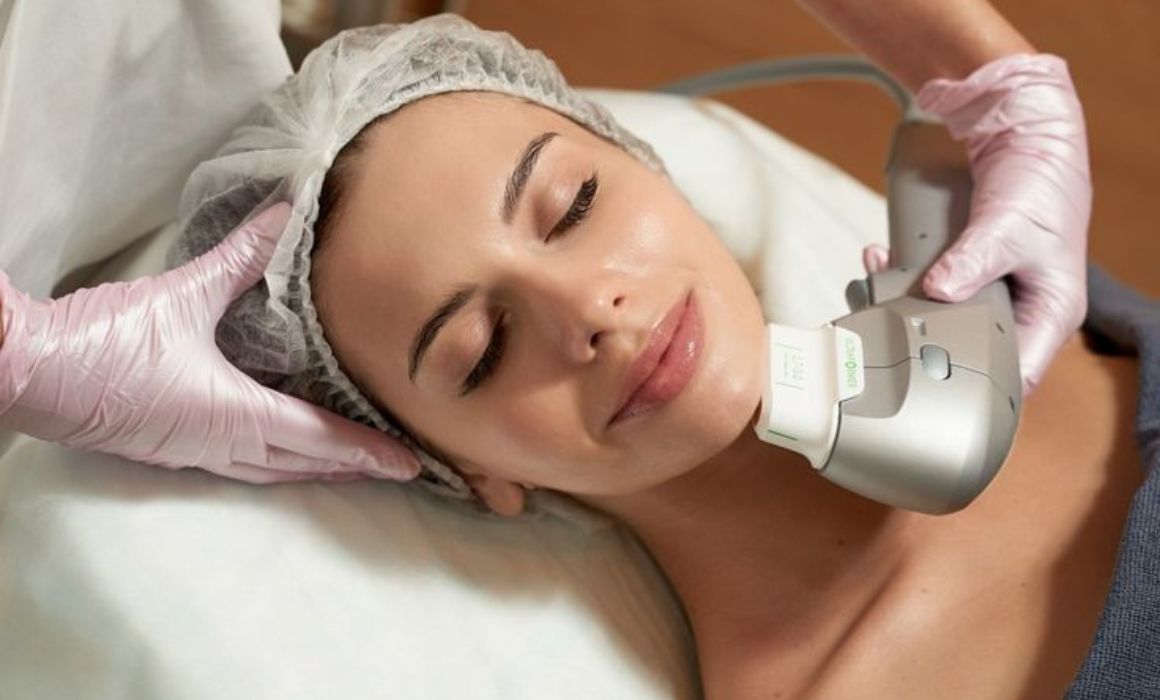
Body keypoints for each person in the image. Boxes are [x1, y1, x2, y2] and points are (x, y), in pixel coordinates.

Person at [1, 5, 1134, 698]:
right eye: (480, 348)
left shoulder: (1024, 314)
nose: (588, 308)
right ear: (467, 474)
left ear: (657, 169)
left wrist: (988, 75)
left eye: (573, 203)